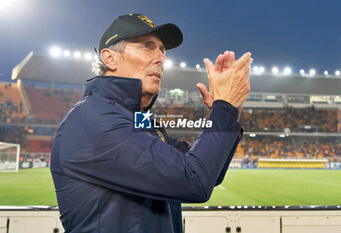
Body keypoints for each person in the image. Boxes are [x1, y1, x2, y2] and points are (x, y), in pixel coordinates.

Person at [50, 13, 252, 233]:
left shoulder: (136, 119)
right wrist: (224, 109)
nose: (161, 58)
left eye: (162, 50)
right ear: (109, 58)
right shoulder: (92, 118)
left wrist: (228, 113)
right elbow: (194, 181)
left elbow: (207, 171)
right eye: (147, 46)